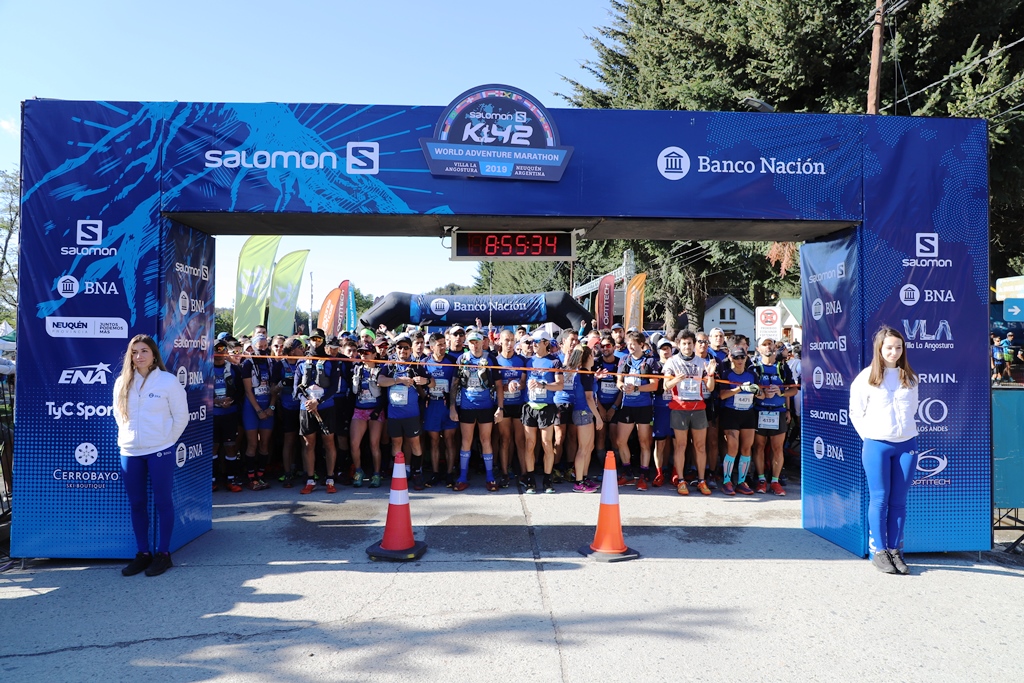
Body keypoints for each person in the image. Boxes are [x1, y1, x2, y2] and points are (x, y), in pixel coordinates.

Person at [113, 335, 189, 577]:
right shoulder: (122, 382)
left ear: (154, 354)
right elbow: (118, 416)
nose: (139, 356)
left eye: (144, 350)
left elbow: (182, 416)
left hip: (160, 451)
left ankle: (163, 554)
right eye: (134, 352)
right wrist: (129, 438)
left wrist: (165, 441)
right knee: (137, 503)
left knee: (163, 501)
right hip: (130, 451)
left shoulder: (168, 381)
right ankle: (143, 553)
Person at [849, 326, 920, 575]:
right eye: (889, 347)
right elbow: (856, 412)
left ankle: (895, 550)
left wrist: (901, 432)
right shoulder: (865, 378)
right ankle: (880, 552)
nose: (894, 352)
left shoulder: (910, 377)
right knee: (879, 499)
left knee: (899, 501)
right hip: (877, 445)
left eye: (898, 347)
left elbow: (912, 409)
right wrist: (870, 438)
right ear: (879, 349)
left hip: (907, 444)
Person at [662, 330, 717, 496]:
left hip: (698, 408)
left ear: (694, 345)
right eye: (684, 344)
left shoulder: (701, 362)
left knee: (700, 446)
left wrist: (711, 374)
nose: (687, 347)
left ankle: (701, 480)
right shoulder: (672, 361)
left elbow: (710, 388)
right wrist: (676, 380)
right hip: (679, 408)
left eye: (690, 344)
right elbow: (665, 386)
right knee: (681, 446)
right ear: (679, 345)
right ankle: (681, 480)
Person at [449, 330, 504, 491]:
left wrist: (500, 408)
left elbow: (499, 385)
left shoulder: (490, 358)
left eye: (477, 342)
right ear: (468, 343)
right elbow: (454, 384)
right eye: (472, 342)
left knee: (486, 440)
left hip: (486, 406)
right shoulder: (462, 358)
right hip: (467, 406)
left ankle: (490, 477)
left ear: (482, 342)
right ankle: (462, 477)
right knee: (466, 441)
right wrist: (452, 407)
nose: (474, 345)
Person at [377, 333, 433, 488]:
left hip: (412, 414)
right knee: (396, 443)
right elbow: (380, 381)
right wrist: (398, 380)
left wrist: (425, 381)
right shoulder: (390, 365)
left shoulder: (417, 366)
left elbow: (432, 383)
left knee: (415, 443)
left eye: (406, 348)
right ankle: (399, 473)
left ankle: (417, 473)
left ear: (410, 349)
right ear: (395, 349)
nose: (402, 350)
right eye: (399, 347)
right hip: (394, 414)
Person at [750, 337, 799, 495]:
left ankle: (775, 481)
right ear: (758, 349)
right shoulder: (754, 367)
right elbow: (747, 388)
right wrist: (760, 393)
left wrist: (781, 392)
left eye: (770, 344)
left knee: (777, 448)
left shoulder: (782, 367)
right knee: (759, 447)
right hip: (759, 411)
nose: (768, 347)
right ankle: (761, 479)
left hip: (778, 411)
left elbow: (794, 390)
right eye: (764, 345)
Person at [615, 330, 661, 487]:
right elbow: (618, 381)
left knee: (644, 441)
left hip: (644, 406)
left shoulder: (650, 361)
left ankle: (644, 474)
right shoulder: (624, 360)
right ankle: (627, 472)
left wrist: (636, 388)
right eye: (628, 344)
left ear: (642, 345)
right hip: (627, 405)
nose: (630, 346)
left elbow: (654, 386)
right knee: (620, 441)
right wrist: (623, 387)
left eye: (633, 344)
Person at [522, 330, 564, 493]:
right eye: (531, 342)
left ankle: (547, 479)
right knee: (530, 444)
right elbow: (523, 382)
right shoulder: (528, 361)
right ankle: (530, 479)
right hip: (530, 406)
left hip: (547, 407)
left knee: (547, 443)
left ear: (546, 343)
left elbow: (560, 385)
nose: (533, 344)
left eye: (536, 342)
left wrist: (543, 385)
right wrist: (515, 385)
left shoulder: (554, 362)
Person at [716, 345, 760, 495]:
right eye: (736, 357)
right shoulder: (726, 374)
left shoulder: (752, 375)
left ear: (746, 358)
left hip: (748, 413)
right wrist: (740, 389)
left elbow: (761, 395)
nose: (739, 360)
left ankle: (741, 482)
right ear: (731, 358)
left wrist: (757, 391)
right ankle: (727, 481)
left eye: (742, 357)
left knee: (747, 448)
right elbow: (722, 395)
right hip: (731, 413)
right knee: (733, 448)